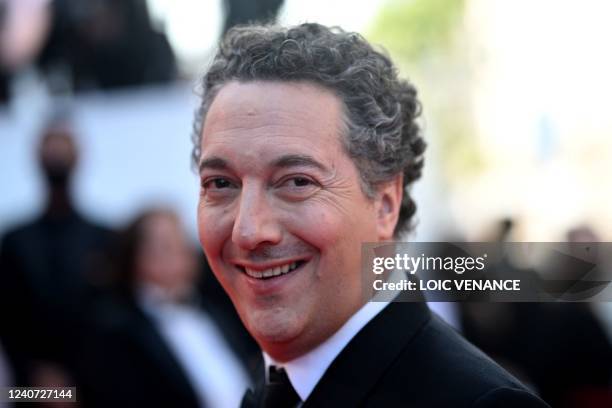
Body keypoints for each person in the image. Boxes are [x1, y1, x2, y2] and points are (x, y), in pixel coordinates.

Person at [193, 23, 550, 407]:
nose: (248, 231)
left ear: (385, 204)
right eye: (221, 184)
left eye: (296, 182)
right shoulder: (276, 390)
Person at [75, 208, 258, 408]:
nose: (183, 252)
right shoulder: (116, 327)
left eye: (182, 242)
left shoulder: (217, 310)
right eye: (166, 245)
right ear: (137, 257)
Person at [0, 118, 113, 387]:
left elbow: (112, 315)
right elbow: (7, 319)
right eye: (50, 149)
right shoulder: (15, 241)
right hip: (27, 391)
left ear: (78, 157)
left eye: (64, 149)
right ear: (37, 158)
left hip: (95, 386)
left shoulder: (104, 237)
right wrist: (37, 377)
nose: (57, 157)